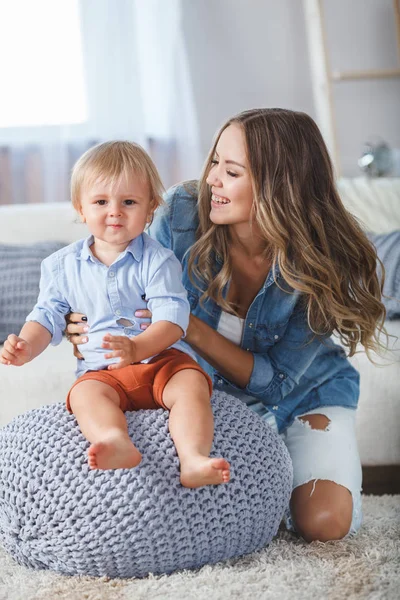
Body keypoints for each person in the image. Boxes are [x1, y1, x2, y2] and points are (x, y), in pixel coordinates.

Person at [65, 109, 386, 543]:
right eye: (215, 161)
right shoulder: (180, 213)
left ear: (279, 187)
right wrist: (83, 325)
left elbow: (275, 385)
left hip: (305, 395)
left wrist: (188, 326)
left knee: (323, 525)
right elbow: (124, 299)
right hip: (210, 395)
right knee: (196, 515)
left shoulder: (323, 262)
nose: (212, 178)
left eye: (231, 171)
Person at [0, 141, 230, 488]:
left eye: (129, 202)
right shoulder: (61, 267)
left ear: (150, 208)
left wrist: (137, 349)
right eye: (101, 202)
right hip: (101, 371)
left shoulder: (158, 260)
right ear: (81, 207)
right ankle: (113, 440)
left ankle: (194, 456)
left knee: (192, 385)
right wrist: (27, 347)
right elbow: (46, 316)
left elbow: (173, 320)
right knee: (83, 396)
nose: (115, 212)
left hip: (160, 362)